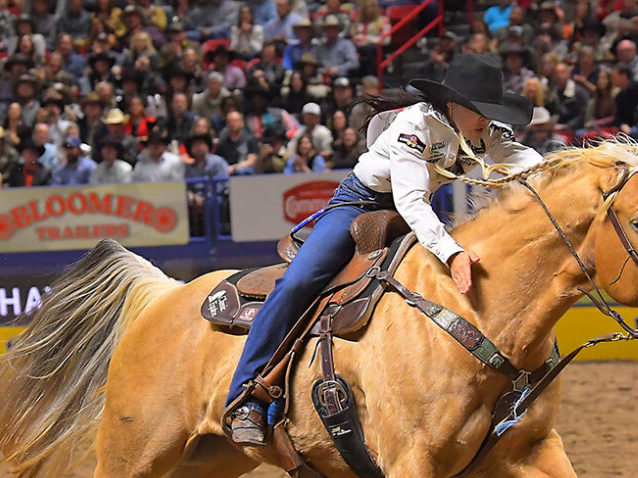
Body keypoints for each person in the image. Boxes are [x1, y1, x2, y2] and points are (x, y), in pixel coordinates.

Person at [224, 53, 541, 445]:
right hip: (361, 204)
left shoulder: (481, 128)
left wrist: (568, 172)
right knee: (298, 282)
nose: (487, 119)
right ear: (455, 105)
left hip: (414, 210)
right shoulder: (415, 127)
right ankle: (243, 398)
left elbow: (521, 158)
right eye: (481, 110)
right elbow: (410, 201)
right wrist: (453, 251)